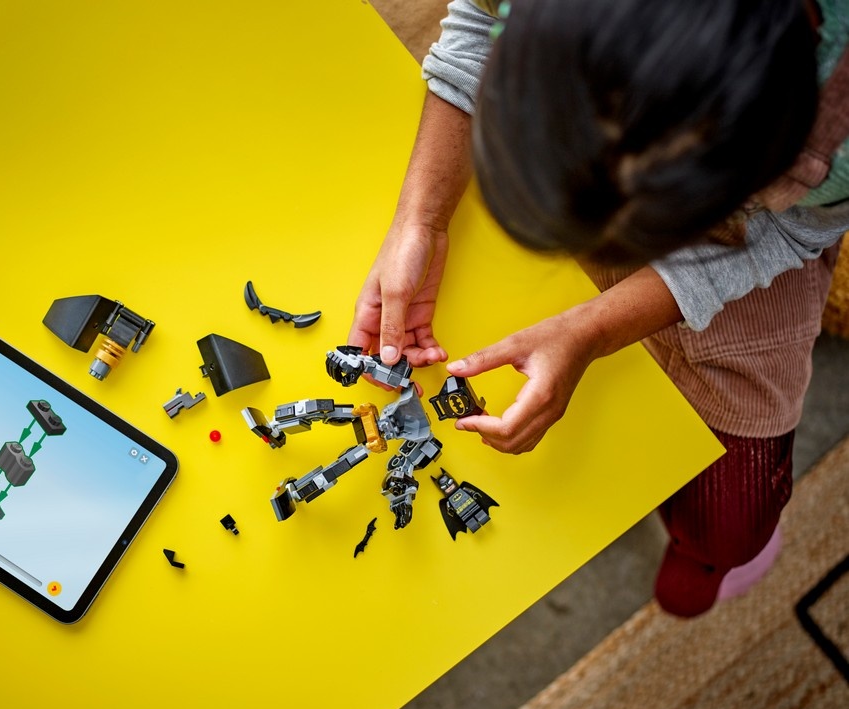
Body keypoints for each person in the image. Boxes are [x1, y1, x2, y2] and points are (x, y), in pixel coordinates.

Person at [349, 0, 849, 617]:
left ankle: (711, 551)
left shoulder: (834, 145)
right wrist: (420, 219)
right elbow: (476, 24)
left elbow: (794, 230)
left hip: (760, 244)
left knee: (730, 522)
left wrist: (594, 329)